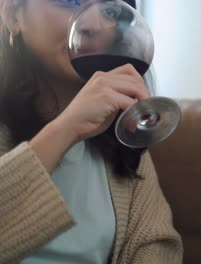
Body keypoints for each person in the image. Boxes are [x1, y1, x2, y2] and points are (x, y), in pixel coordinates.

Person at [0, 0, 183, 263]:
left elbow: (156, 243)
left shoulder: (125, 136)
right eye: (71, 1)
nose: (94, 25)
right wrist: (66, 128)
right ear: (13, 14)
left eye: (109, 11)